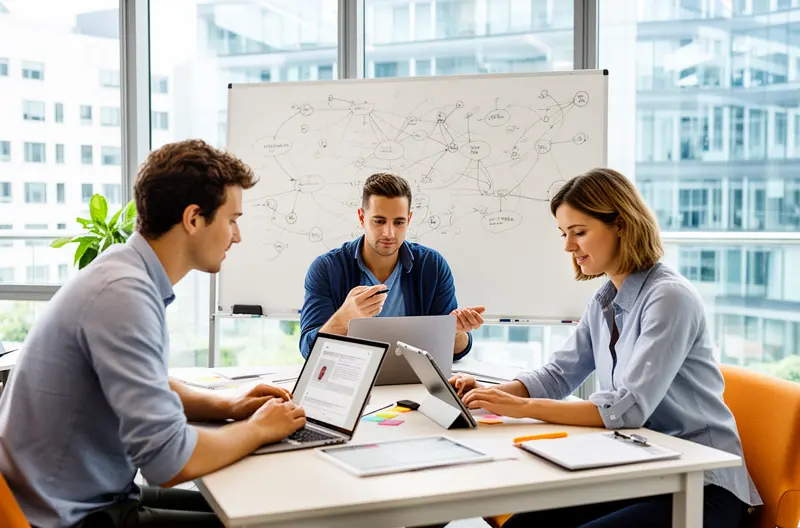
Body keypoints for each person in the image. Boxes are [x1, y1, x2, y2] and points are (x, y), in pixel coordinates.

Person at [0, 140, 306, 528]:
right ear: (193, 219)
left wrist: (229, 405)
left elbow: (148, 384)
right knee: (270, 522)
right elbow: (169, 461)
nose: (237, 235)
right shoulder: (123, 295)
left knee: (254, 512)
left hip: (76, 497)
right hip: (65, 517)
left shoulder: (122, 272)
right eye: (232, 219)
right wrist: (258, 429)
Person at [449, 168, 762, 528]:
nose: (568, 246)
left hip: (702, 486)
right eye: (564, 234)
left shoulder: (669, 298)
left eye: (579, 232)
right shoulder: (605, 299)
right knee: (523, 525)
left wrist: (520, 408)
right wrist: (489, 395)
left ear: (621, 225)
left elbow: (627, 409)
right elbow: (558, 375)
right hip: (640, 469)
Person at [299, 172, 485, 360]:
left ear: (409, 219)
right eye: (379, 221)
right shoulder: (326, 269)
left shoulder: (432, 266)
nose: (389, 233)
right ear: (362, 217)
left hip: (412, 377)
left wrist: (455, 332)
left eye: (398, 222)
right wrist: (344, 317)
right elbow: (308, 350)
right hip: (350, 375)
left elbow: (456, 352)